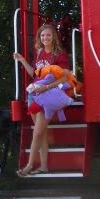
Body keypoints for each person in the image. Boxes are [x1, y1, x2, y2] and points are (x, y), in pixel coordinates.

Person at [12, 23, 71, 176]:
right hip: (34, 94)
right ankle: (44, 166)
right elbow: (34, 74)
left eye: (48, 35)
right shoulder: (39, 53)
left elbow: (65, 77)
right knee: (42, 132)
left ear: (53, 37)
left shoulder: (60, 54)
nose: (45, 38)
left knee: (37, 132)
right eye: (43, 35)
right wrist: (22, 60)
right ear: (40, 37)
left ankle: (29, 165)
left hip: (48, 95)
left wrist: (47, 87)